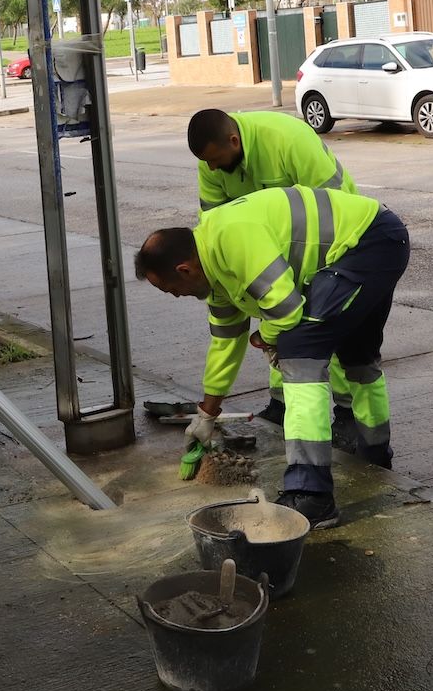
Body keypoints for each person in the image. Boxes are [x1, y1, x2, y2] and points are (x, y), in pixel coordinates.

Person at [135, 185, 410, 528]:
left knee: (299, 353)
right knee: (358, 356)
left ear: (184, 269)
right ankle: (375, 455)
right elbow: (224, 344)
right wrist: (207, 414)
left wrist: (265, 338)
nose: (175, 296)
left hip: (367, 242)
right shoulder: (215, 275)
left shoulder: (230, 237)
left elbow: (286, 309)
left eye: (170, 288)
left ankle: (311, 494)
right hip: (378, 239)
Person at [188, 108, 356, 429]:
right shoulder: (210, 164)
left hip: (330, 239)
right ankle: (282, 401)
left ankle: (349, 414)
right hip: (275, 247)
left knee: (325, 321)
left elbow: (337, 202)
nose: (210, 168)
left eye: (215, 159)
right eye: (205, 162)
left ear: (234, 141)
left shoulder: (288, 140)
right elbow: (212, 226)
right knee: (276, 316)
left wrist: (327, 271)